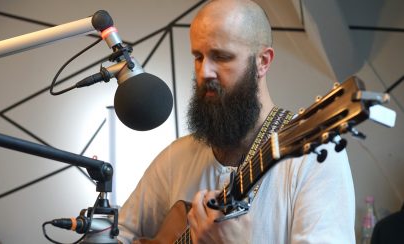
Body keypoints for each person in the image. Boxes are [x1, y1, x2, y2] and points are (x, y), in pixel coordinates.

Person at [117, 0, 355, 243]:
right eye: (198, 57)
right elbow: (118, 234)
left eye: (221, 57)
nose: (204, 72)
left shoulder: (315, 155)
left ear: (263, 61)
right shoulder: (174, 158)